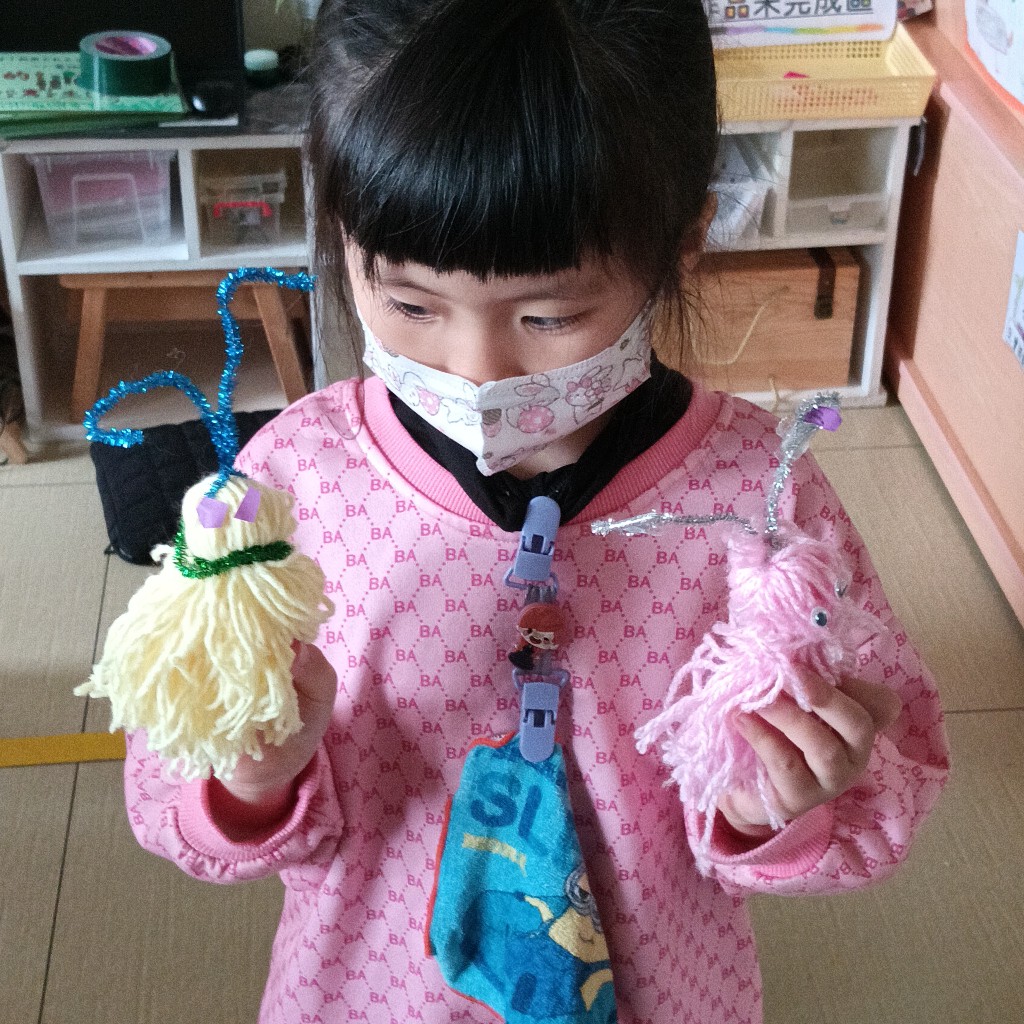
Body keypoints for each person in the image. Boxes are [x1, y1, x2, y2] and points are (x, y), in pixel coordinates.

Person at [122, 2, 949, 1022]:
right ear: (339, 235)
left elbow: (893, 763)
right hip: (374, 991)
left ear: (683, 240)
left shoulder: (759, 500)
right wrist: (250, 782)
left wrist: (776, 803)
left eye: (550, 314)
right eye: (411, 304)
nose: (478, 368)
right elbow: (165, 762)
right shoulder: (292, 482)